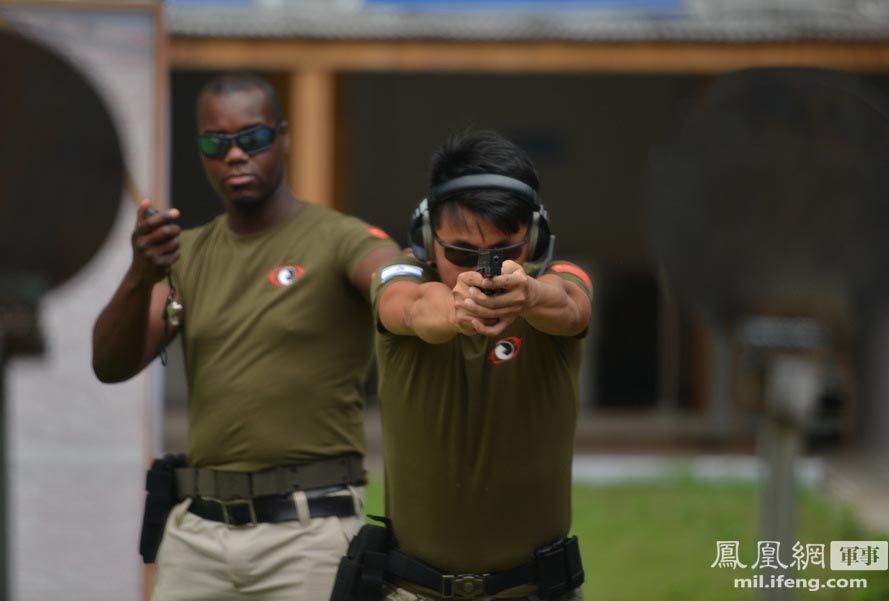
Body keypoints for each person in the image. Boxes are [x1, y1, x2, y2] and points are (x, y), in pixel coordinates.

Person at [92, 72, 399, 601]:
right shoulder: (184, 257)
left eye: (252, 138)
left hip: (309, 534)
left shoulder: (338, 239)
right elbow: (110, 364)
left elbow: (395, 283)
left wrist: (426, 288)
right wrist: (140, 273)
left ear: (284, 137)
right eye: (217, 143)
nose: (235, 155)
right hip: (198, 537)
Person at [366, 130, 592, 600]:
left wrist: (528, 294)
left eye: (505, 251)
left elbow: (571, 307)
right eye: (461, 252)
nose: (482, 267)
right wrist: (455, 311)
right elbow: (409, 307)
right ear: (427, 238)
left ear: (534, 239)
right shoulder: (404, 277)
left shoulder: (556, 285)